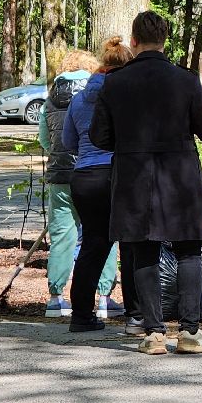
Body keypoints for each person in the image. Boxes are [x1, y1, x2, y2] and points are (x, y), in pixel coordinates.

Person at [90, 10, 202, 356]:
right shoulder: (185, 79)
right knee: (189, 250)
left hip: (133, 175)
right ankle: (190, 331)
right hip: (179, 176)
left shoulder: (115, 82)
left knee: (143, 251)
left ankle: (153, 333)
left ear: (134, 41)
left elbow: (98, 136)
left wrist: (129, 142)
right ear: (165, 40)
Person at [38, 49, 123, 320]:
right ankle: (104, 298)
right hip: (95, 173)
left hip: (60, 176)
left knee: (62, 236)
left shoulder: (51, 99)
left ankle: (55, 298)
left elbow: (46, 141)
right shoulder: (98, 94)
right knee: (102, 234)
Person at [62, 37, 135, 332]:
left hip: (83, 177)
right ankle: (136, 314)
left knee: (92, 245)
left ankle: (81, 314)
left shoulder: (79, 98)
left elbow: (68, 141)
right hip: (115, 174)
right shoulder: (124, 96)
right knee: (131, 243)